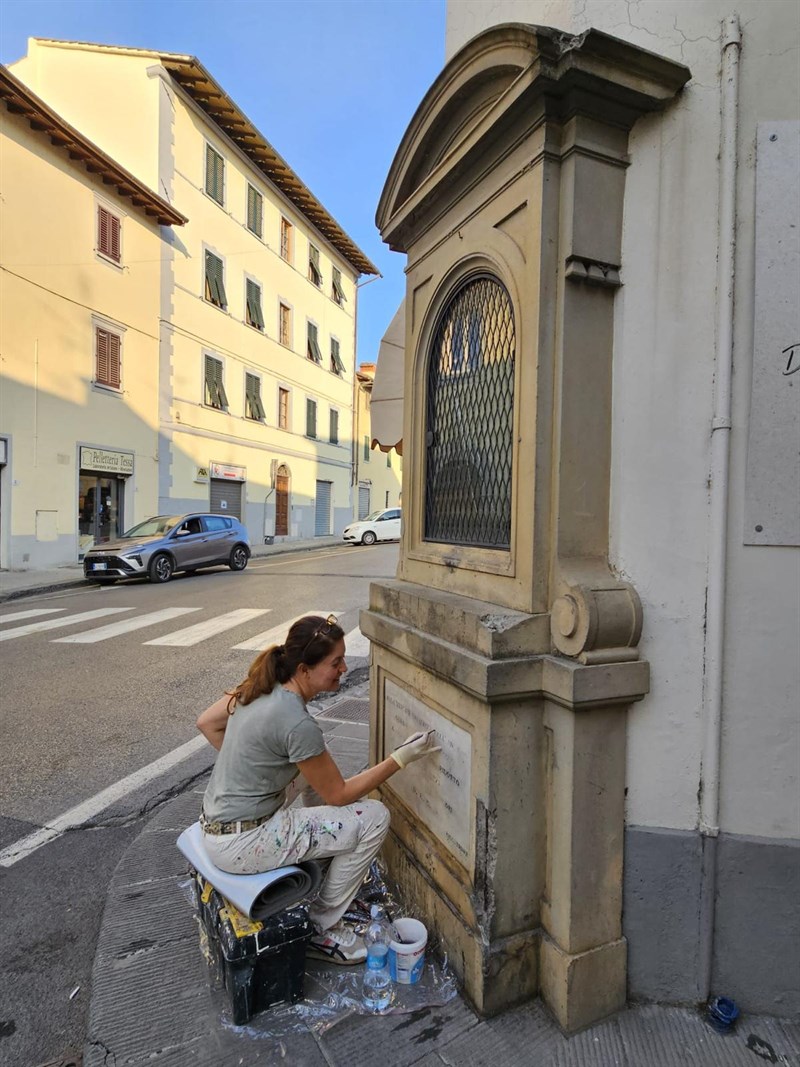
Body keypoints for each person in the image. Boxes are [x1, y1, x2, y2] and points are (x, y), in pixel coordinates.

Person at [196, 613, 439, 965]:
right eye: (335, 662)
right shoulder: (296, 722)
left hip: (217, 825)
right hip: (243, 842)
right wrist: (400, 758)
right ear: (304, 669)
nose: (343, 668)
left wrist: (254, 766)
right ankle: (323, 927)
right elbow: (338, 795)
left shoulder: (258, 685)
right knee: (374, 816)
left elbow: (207, 723)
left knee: (310, 774)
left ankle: (325, 858)